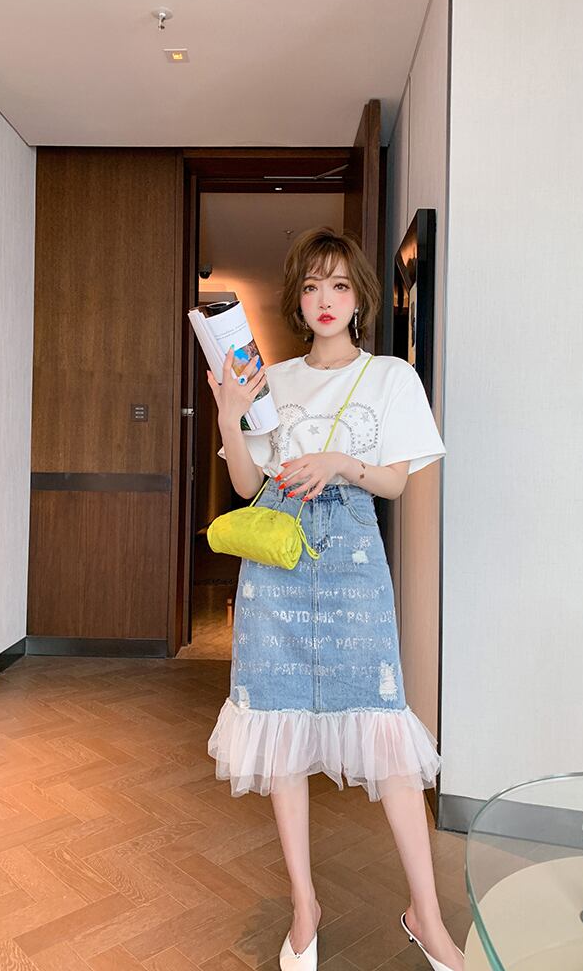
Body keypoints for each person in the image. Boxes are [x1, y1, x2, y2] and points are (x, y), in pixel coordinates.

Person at [206, 228, 464, 971]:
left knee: (385, 729)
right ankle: (305, 906)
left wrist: (339, 463)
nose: (325, 299)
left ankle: (426, 915)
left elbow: (395, 483)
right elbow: (247, 487)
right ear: (298, 299)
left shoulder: (391, 377)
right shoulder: (273, 380)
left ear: (359, 298)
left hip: (352, 565)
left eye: (340, 285)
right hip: (278, 570)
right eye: (313, 286)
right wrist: (229, 413)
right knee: (282, 729)